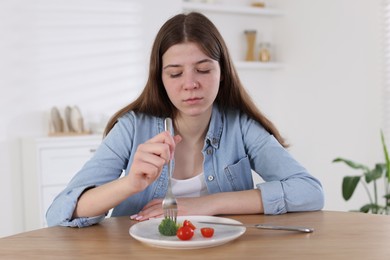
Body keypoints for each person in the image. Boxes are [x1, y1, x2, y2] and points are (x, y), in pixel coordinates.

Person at [46, 12, 324, 227]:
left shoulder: (241, 126)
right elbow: (59, 213)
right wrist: (130, 183)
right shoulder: (132, 127)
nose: (190, 84)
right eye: (175, 74)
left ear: (222, 72)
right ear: (161, 79)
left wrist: (208, 204)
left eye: (203, 69)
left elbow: (310, 192)